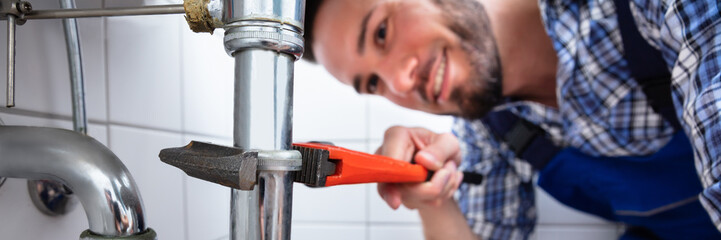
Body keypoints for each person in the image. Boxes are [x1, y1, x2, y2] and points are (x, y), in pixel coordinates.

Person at [302, 0, 721, 239]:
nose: (398, 81)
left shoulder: (648, 7)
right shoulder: (490, 135)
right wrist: (432, 194)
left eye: (381, 33)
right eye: (373, 83)